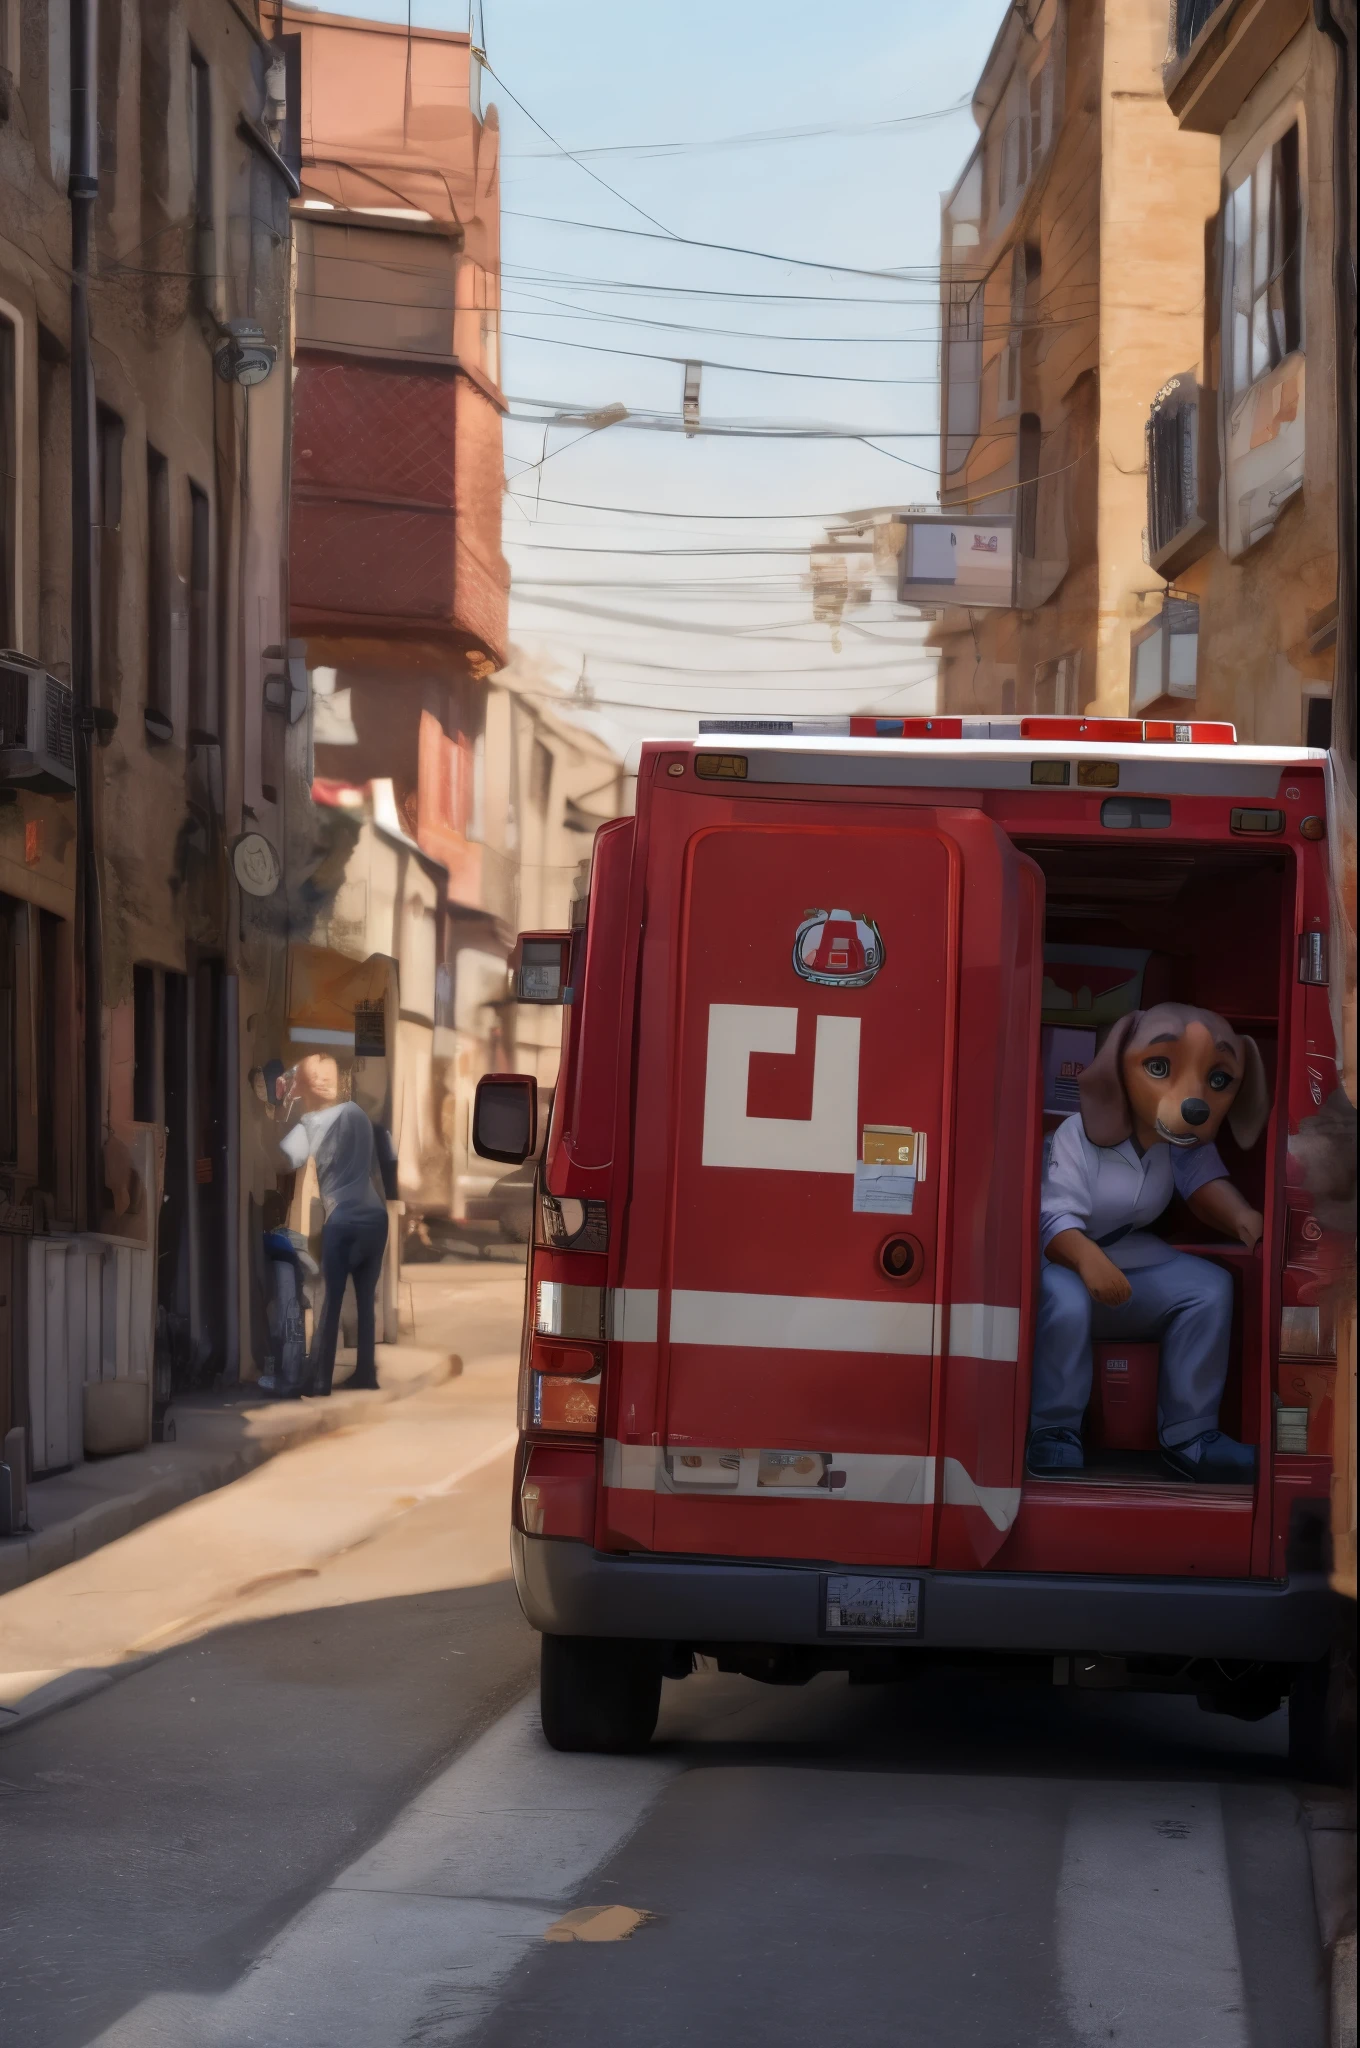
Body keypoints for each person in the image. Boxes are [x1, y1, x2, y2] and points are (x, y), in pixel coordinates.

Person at [1027, 1004, 1269, 1483]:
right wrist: (1088, 1261)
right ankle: (1053, 1429)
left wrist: (1246, 1220)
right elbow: (1051, 1218)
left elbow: (1203, 1188)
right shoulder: (1078, 1137)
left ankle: (1190, 1436)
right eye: (1160, 1068)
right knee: (1069, 1300)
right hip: (1064, 1259)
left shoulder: (1176, 1141)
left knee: (1208, 1289)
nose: (1194, 1098)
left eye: (1217, 1081)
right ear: (1117, 1069)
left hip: (1131, 1257)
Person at [278, 1054, 389, 1395]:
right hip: (375, 1216)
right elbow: (373, 1168)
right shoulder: (357, 1114)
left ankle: (321, 1380)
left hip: (343, 1218)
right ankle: (366, 1374)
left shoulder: (310, 1124)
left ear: (305, 1089)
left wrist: (284, 1105)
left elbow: (283, 1161)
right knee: (366, 1300)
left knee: (330, 1299)